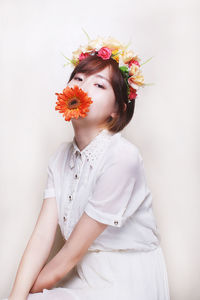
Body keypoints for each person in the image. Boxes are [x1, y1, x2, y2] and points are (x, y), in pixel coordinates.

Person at [4, 35, 170, 300]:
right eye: (78, 79)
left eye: (99, 85)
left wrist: (25, 295)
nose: (82, 87)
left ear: (117, 110)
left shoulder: (122, 157)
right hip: (88, 278)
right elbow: (41, 238)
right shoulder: (59, 157)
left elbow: (69, 257)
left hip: (127, 280)